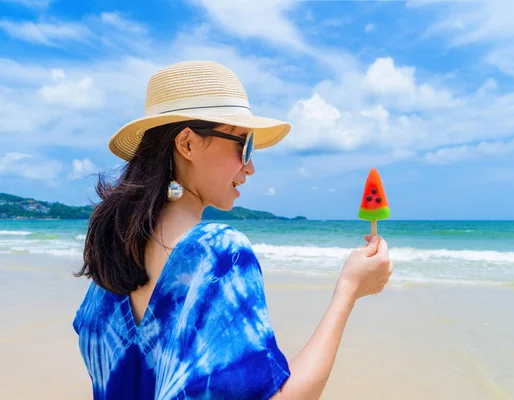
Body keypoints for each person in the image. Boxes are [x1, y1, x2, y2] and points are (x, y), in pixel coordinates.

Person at [73, 60, 393, 399]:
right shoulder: (219, 252)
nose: (251, 166)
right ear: (188, 144)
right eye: (244, 144)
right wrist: (348, 291)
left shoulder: (114, 257)